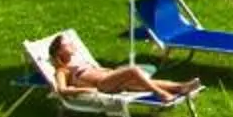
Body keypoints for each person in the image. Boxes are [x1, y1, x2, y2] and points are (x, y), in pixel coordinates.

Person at [47, 34, 200, 101]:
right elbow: (62, 90)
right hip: (102, 85)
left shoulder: (78, 61)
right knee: (132, 70)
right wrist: (86, 90)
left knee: (144, 82)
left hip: (110, 78)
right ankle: (161, 94)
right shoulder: (63, 70)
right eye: (68, 44)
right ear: (60, 51)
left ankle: (180, 87)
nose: (72, 45)